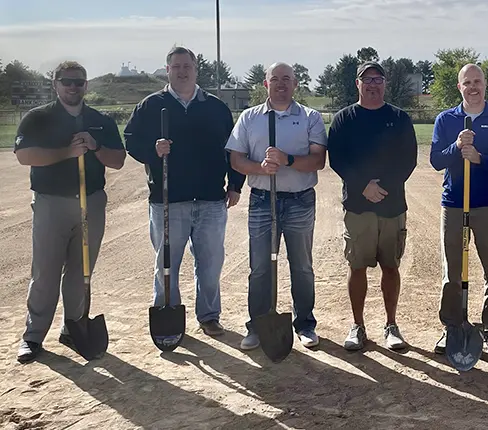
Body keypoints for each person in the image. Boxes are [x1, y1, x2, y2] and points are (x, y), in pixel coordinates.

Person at [124, 46, 245, 337]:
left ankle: (209, 316)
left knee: (211, 263)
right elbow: (130, 140)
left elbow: (234, 148)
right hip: (168, 200)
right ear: (168, 70)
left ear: (195, 69)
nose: (182, 71)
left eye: (187, 66)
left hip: (211, 199)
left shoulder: (215, 107)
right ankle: (168, 314)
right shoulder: (151, 105)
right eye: (176, 66)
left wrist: (236, 185)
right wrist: (152, 151)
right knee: (166, 264)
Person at [13, 61, 126, 363]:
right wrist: (67, 152)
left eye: (78, 82)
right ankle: (33, 336)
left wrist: (95, 146)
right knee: (46, 272)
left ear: (86, 85)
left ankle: (73, 328)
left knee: (81, 272)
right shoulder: (39, 118)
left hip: (92, 201)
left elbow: (117, 160)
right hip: (53, 203)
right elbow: (25, 156)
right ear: (56, 85)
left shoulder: (101, 120)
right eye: (67, 82)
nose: (73, 87)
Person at [226, 62, 327, 350]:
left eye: (287, 79)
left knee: (302, 266)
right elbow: (236, 160)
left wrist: (287, 160)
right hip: (261, 201)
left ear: (296, 83)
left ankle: (305, 323)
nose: (281, 83)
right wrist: (260, 168)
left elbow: (318, 160)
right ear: (265, 83)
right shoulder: (249, 117)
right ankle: (257, 325)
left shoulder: (310, 117)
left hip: (299, 201)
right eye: (275, 79)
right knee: (260, 267)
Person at [327, 61, 418, 351]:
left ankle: (391, 325)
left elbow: (408, 159)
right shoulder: (344, 118)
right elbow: (338, 159)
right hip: (358, 206)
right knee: (357, 267)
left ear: (385, 83)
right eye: (367, 79)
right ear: (358, 84)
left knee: (391, 266)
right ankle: (358, 325)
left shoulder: (399, 118)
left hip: (392, 207)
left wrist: (384, 187)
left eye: (378, 79)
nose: (373, 84)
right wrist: (363, 185)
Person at [430, 63, 488, 357]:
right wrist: (456, 147)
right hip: (454, 205)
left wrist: (480, 158)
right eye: (467, 83)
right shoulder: (446, 119)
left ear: (485, 84)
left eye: (477, 81)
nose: (473, 87)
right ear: (460, 87)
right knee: (452, 272)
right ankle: (452, 326)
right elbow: (436, 160)